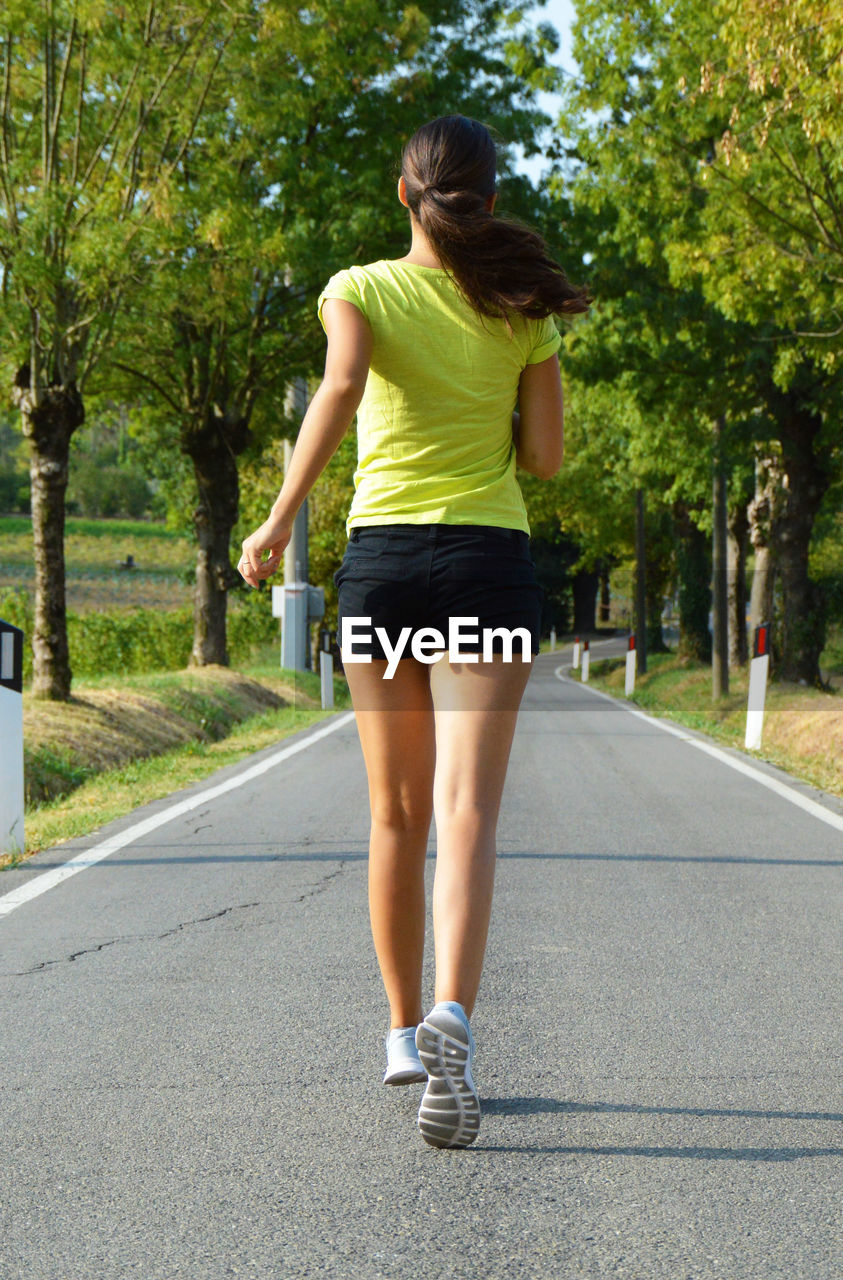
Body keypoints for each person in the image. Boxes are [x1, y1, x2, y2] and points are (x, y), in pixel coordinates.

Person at [238, 114, 590, 1149]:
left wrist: (276, 517)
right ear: (486, 196)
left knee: (396, 813)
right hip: (486, 559)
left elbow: (341, 388)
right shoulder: (525, 307)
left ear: (406, 194)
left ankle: (401, 1034)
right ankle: (456, 1022)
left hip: (385, 569)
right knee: (469, 807)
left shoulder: (361, 289)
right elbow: (550, 458)